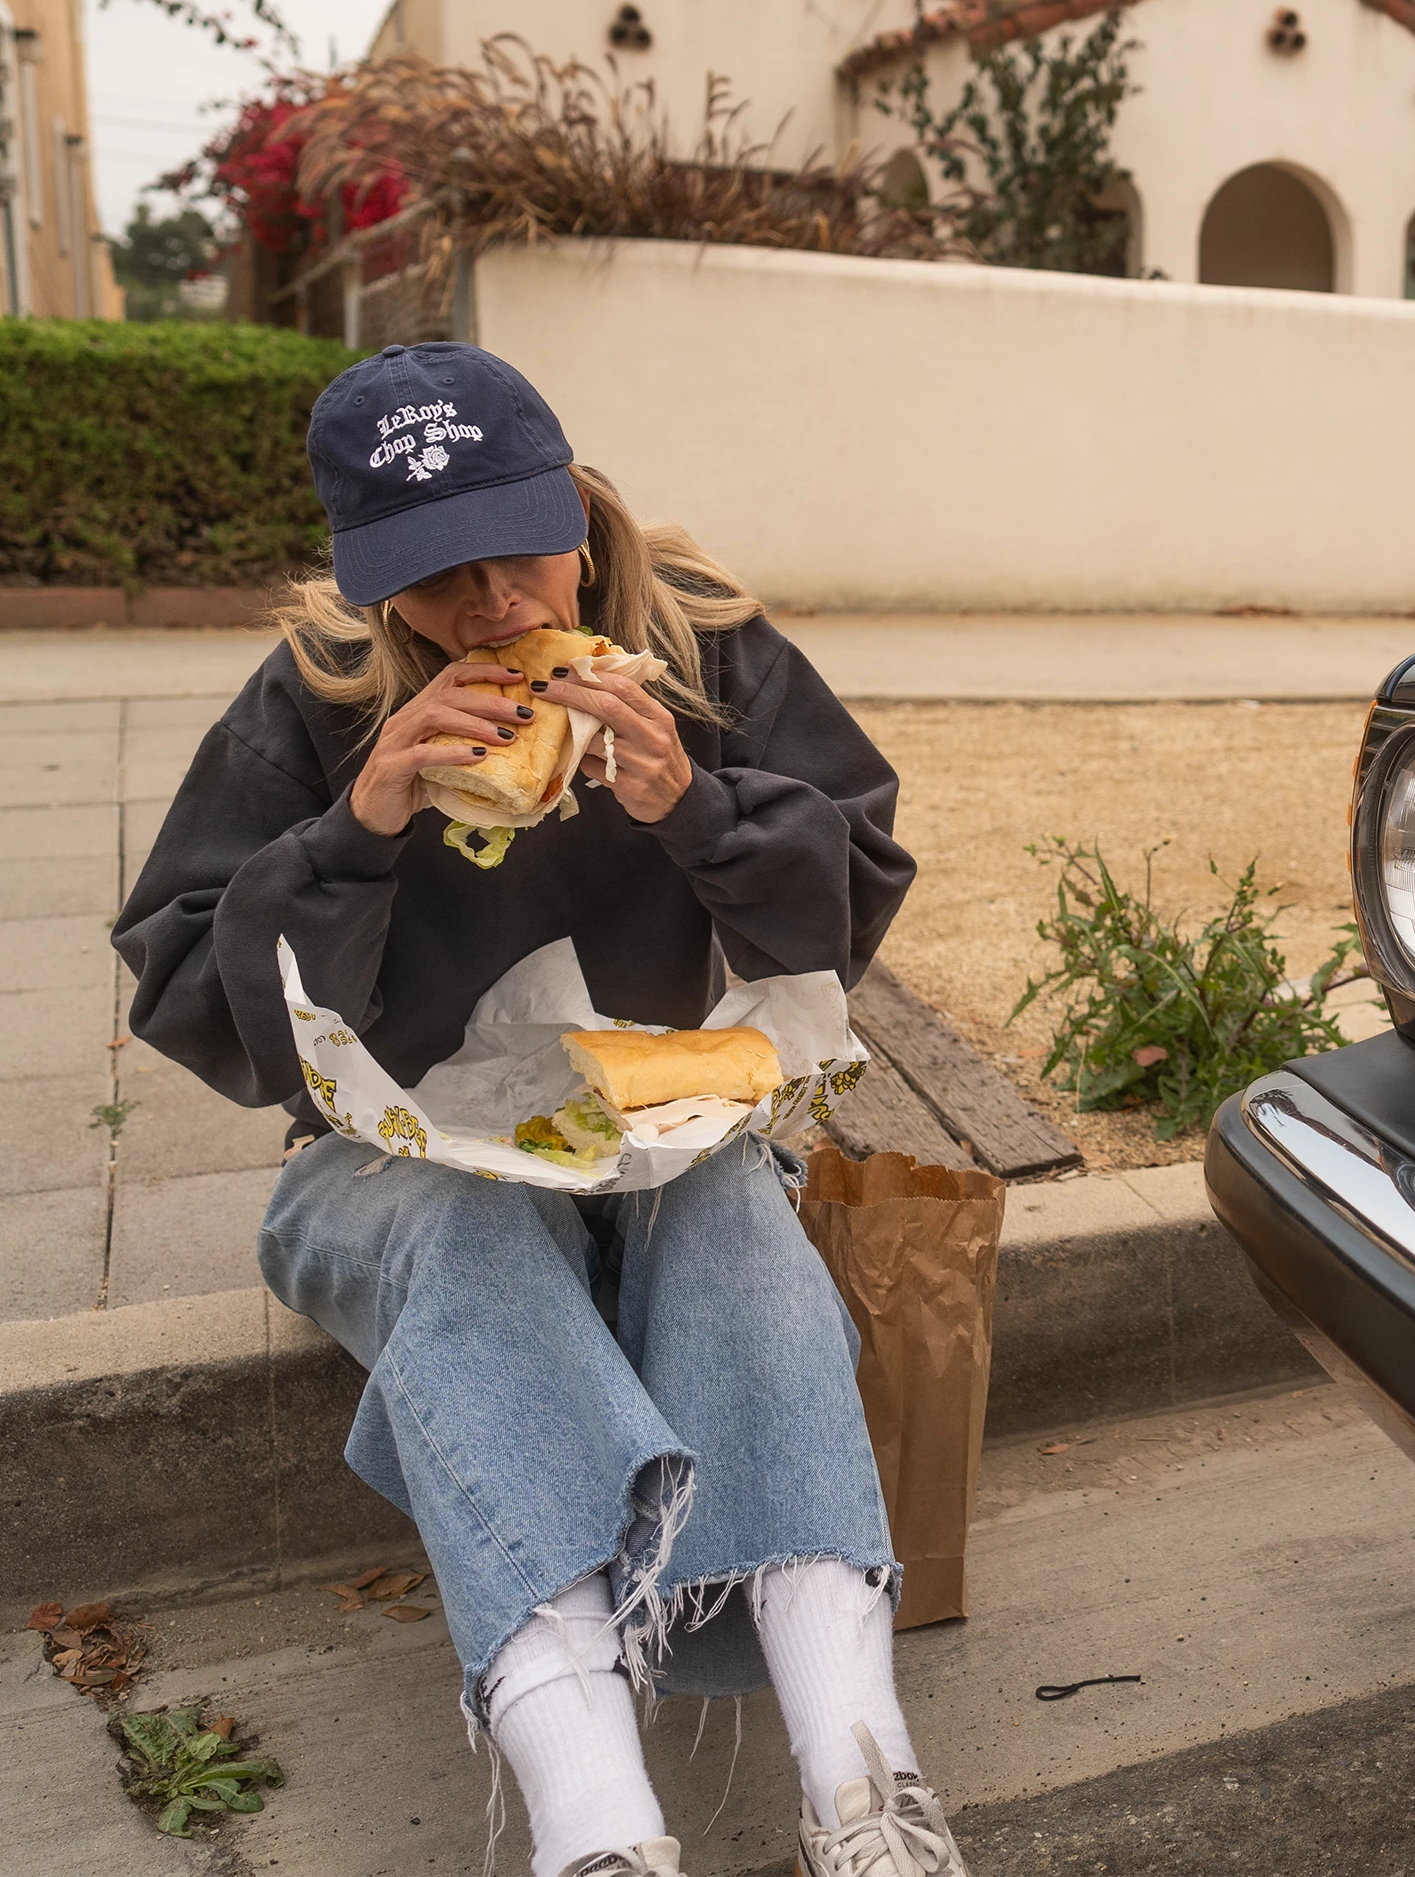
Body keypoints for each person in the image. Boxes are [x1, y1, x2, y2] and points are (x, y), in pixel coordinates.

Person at [113, 341, 968, 1877]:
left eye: (519, 553)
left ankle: (867, 1788)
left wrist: (694, 812)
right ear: (376, 588)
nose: (495, 610)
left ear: (577, 507)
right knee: (470, 1232)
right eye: (437, 585)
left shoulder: (707, 653)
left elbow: (845, 916)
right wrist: (355, 830)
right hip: (384, 1165)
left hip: (654, 1133)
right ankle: (598, 1828)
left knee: (725, 1199)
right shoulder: (316, 697)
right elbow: (188, 994)